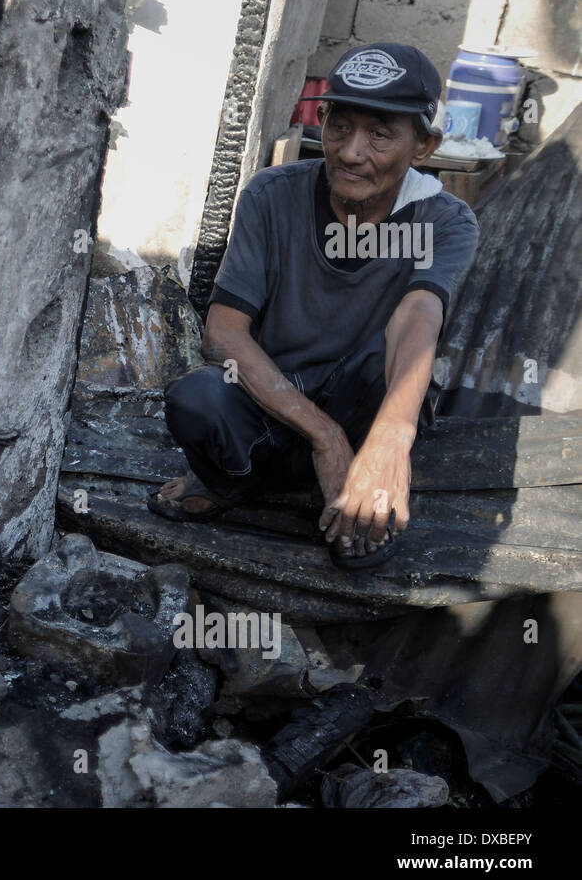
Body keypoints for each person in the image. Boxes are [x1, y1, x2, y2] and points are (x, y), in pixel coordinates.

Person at [150, 43, 480, 570]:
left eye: (379, 134)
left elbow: (417, 318)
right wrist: (324, 437)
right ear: (320, 123)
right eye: (339, 126)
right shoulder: (272, 194)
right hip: (279, 400)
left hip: (362, 406)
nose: (351, 151)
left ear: (423, 145)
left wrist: (391, 440)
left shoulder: (444, 220)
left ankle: (365, 486)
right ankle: (244, 480)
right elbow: (224, 335)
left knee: (388, 360)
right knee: (198, 399)